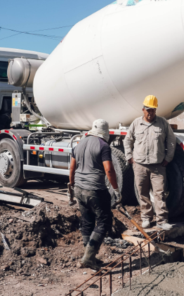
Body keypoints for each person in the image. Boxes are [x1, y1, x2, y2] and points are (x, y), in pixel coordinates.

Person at [69, 119, 121, 270]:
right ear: (105, 132)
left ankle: (89, 256)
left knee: (87, 221)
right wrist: (116, 190)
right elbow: (109, 170)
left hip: (79, 188)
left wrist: (72, 186)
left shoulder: (79, 144)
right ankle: (88, 257)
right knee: (104, 220)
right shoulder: (104, 146)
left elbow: (72, 168)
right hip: (95, 189)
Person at [124, 95, 176, 230]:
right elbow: (128, 140)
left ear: (155, 110)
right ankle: (146, 218)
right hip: (140, 165)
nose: (150, 112)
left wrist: (168, 158)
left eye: (152, 110)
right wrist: (129, 156)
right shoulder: (136, 123)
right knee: (143, 193)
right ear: (143, 109)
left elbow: (171, 141)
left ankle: (162, 220)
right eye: (148, 109)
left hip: (158, 166)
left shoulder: (163, 123)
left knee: (160, 193)